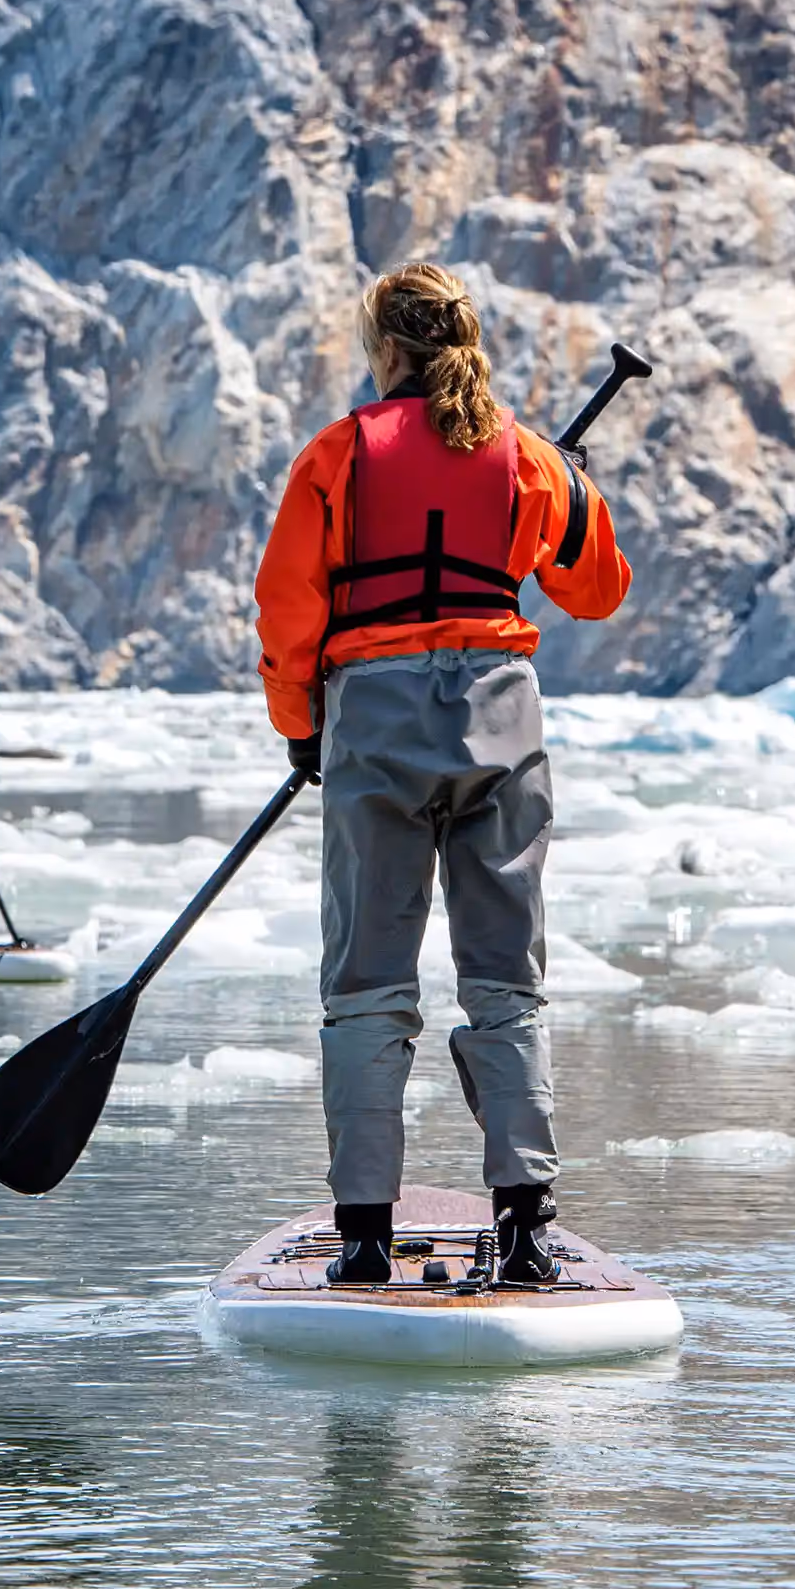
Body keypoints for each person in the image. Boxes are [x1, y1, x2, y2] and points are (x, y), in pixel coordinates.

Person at [252, 262, 631, 1290]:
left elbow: (288, 611)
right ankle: (524, 1232)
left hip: (373, 720)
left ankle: (366, 1236)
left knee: (366, 987)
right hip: (501, 716)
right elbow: (596, 588)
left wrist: (302, 730)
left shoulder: (337, 454)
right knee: (507, 982)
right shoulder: (526, 458)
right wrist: (577, 485)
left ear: (387, 350)